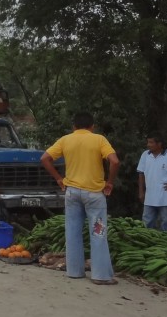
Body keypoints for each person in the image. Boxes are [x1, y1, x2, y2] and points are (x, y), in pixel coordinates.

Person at [41, 112, 120, 285]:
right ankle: (100, 276)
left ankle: (74, 272)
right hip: (94, 194)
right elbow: (114, 161)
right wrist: (110, 183)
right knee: (98, 233)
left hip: (72, 193)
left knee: (72, 232)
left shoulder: (65, 140)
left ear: (74, 126)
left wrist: (58, 178)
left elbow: (45, 158)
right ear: (92, 126)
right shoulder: (99, 139)